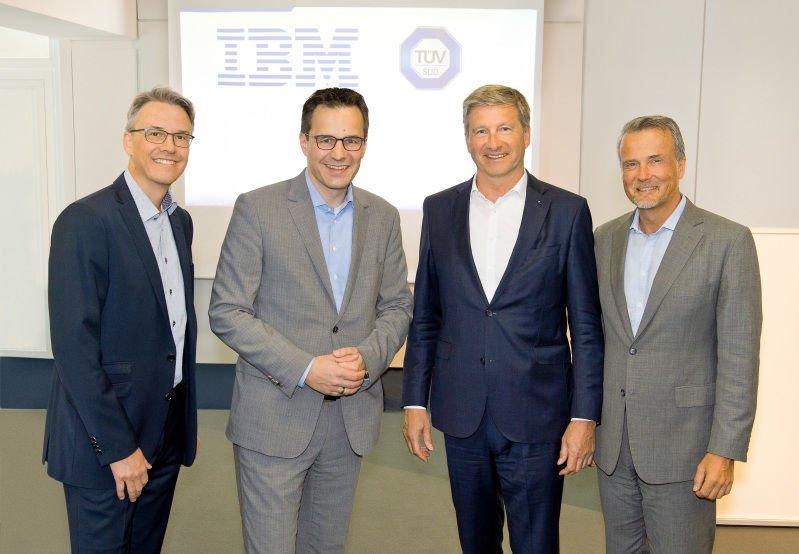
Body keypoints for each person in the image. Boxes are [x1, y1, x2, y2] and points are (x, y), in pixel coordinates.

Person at [209, 87, 412, 553]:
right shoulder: (258, 208)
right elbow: (227, 310)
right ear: (304, 141)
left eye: (351, 140)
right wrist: (306, 368)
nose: (338, 153)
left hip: (349, 420)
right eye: (325, 140)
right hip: (274, 418)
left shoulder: (382, 216)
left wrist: (365, 359)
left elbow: (398, 306)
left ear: (364, 144)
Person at [402, 84, 604, 553]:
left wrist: (584, 416)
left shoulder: (567, 211)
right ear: (467, 139)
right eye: (481, 131)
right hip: (462, 412)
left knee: (536, 544)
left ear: (526, 134)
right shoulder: (439, 209)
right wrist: (414, 401)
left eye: (505, 128)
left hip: (538, 414)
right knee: (476, 543)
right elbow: (426, 316)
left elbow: (586, 328)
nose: (493, 142)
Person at [593, 115, 762, 553]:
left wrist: (724, 450)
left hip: (686, 451)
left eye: (655, 160)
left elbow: (740, 357)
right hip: (614, 450)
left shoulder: (727, 241)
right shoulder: (604, 240)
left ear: (681, 165)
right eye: (631, 164)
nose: (642, 175)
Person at [44, 86, 199, 552]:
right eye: (155, 133)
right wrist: (118, 448)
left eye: (181, 136)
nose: (169, 146)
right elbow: (74, 349)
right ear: (128, 140)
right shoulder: (85, 220)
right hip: (106, 444)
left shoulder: (179, 222)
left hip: (163, 433)